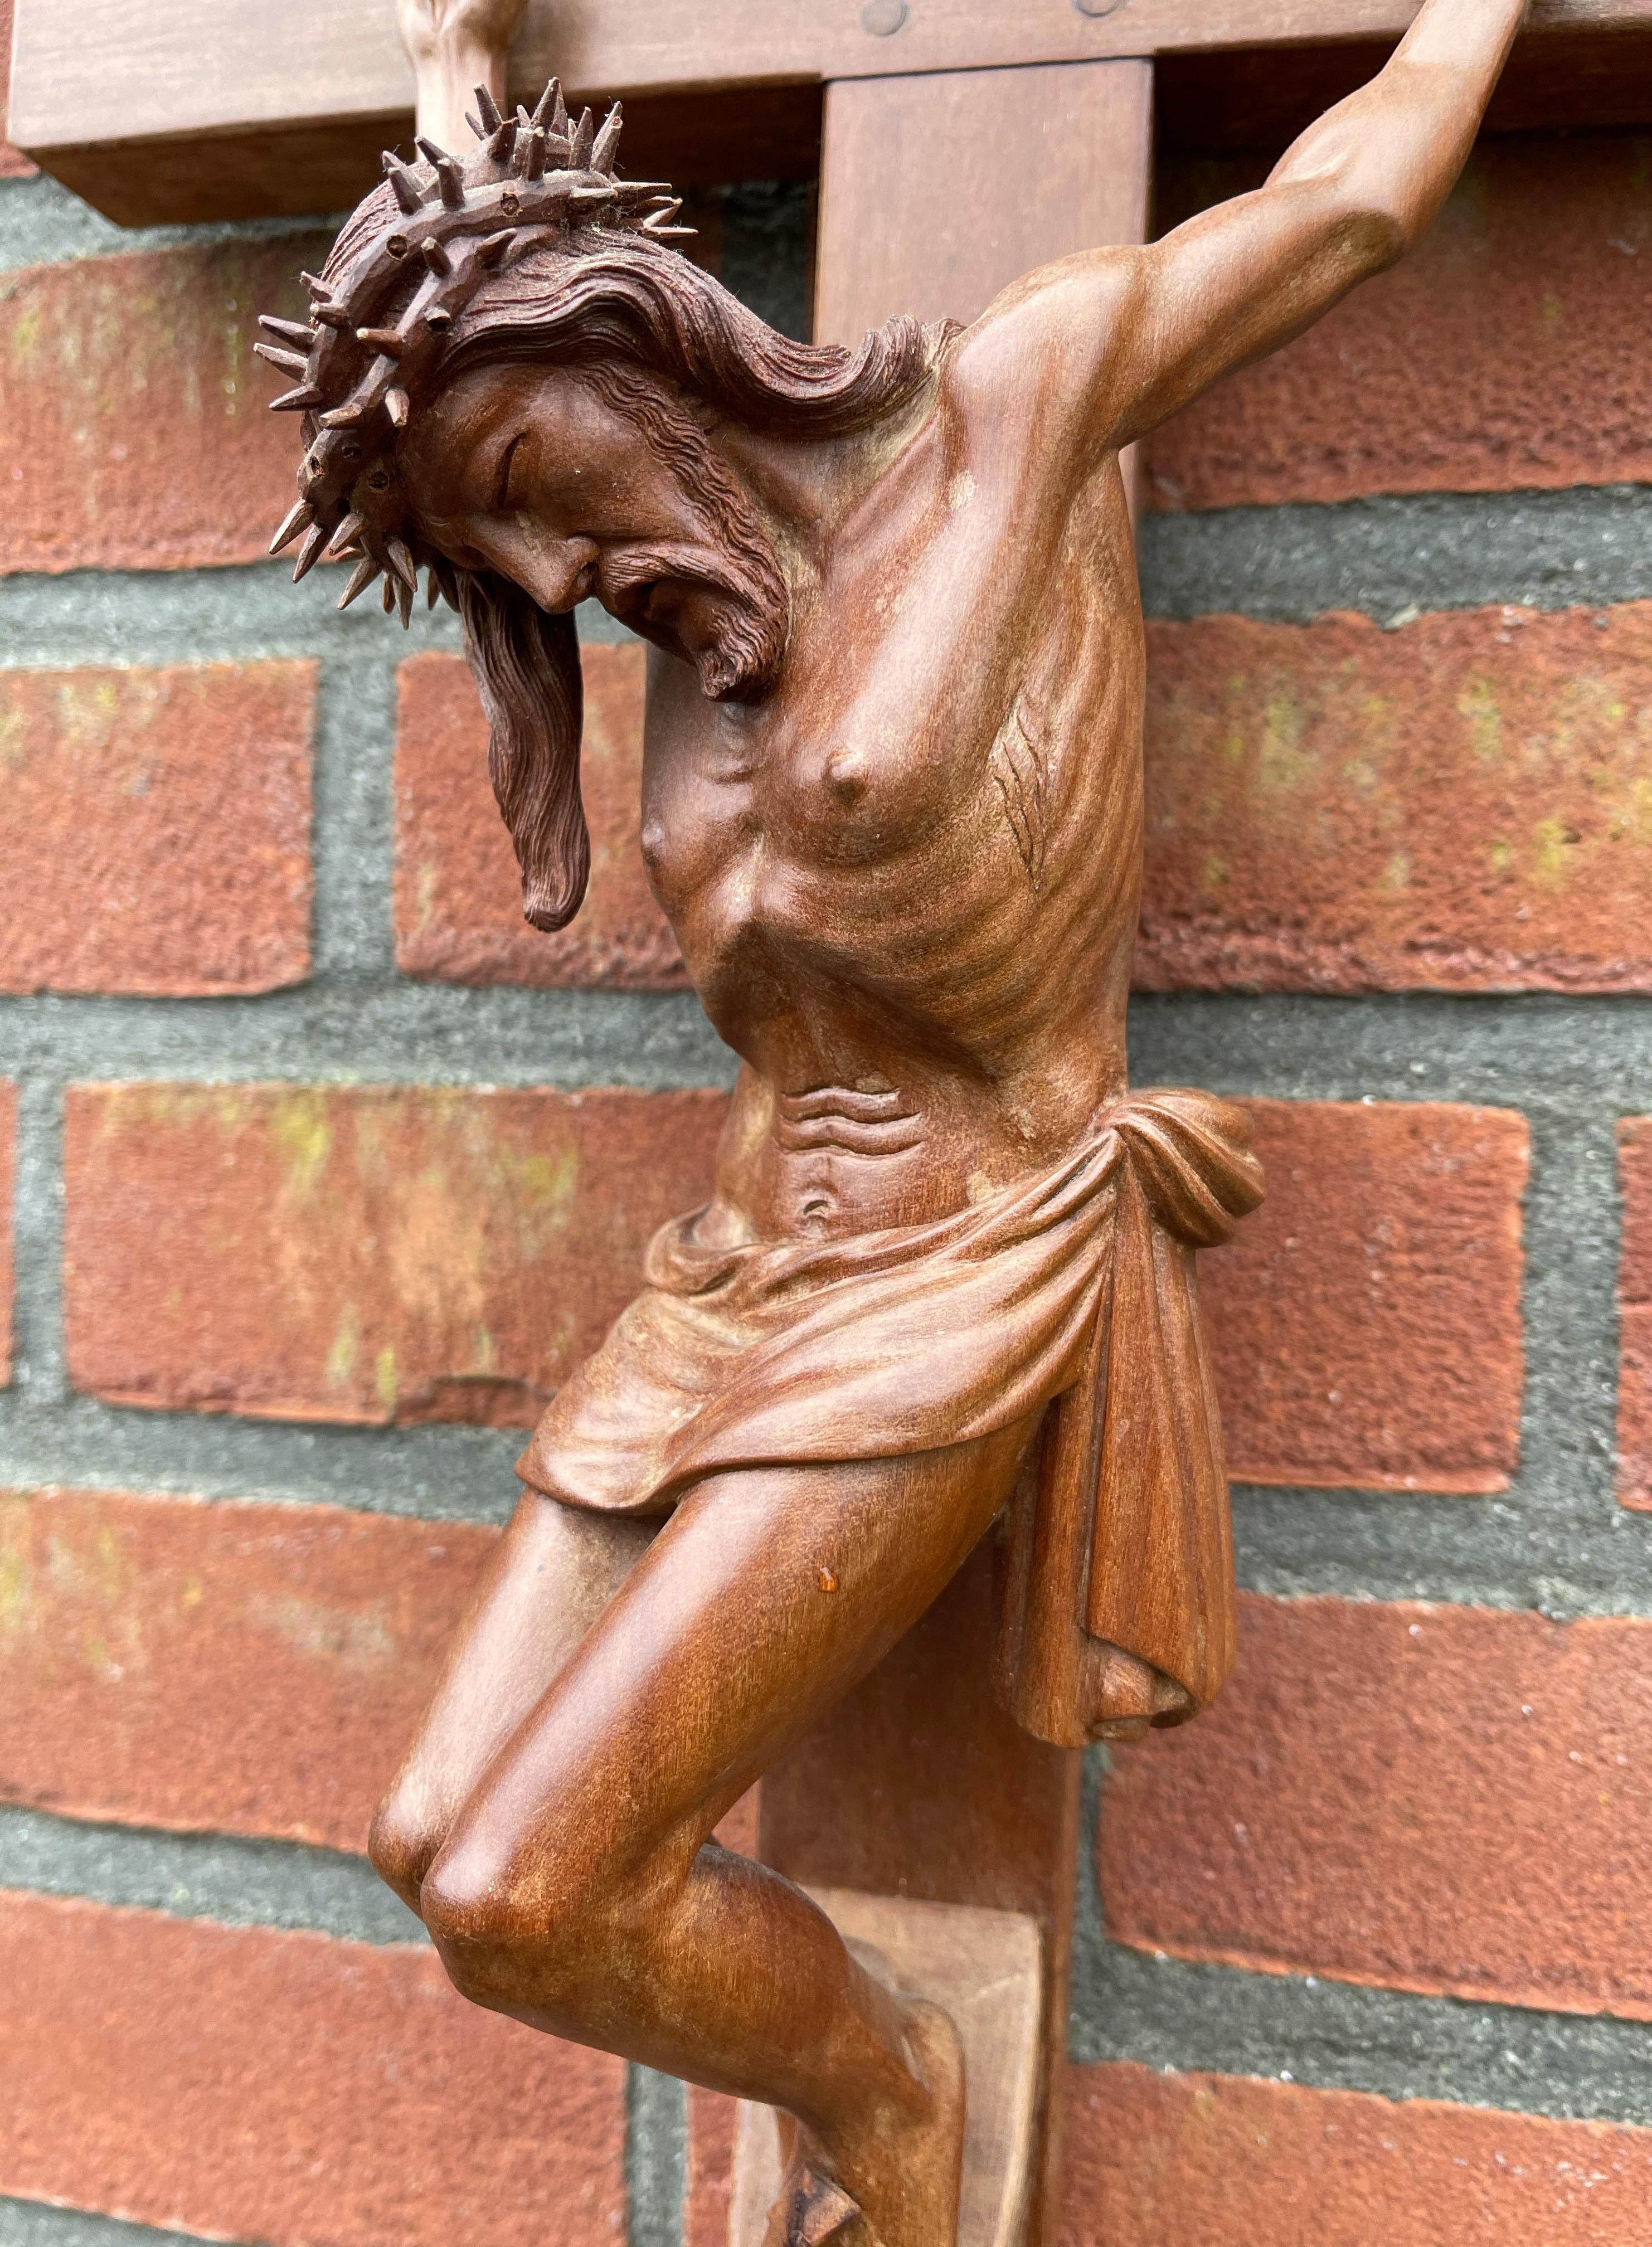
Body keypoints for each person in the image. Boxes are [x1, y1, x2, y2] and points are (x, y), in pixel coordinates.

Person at [259, 2, 1527, 2236]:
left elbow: (1346, 203)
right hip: (730, 1286)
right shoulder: (677, 602)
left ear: (641, 353)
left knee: (536, 1888)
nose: (557, 581)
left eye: (540, 497)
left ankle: (899, 2094)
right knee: (432, 1852)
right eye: (505, 561)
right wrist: (454, 59)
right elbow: (466, 274)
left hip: (955, 1272)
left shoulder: (1010, 409)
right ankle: (874, 2069)